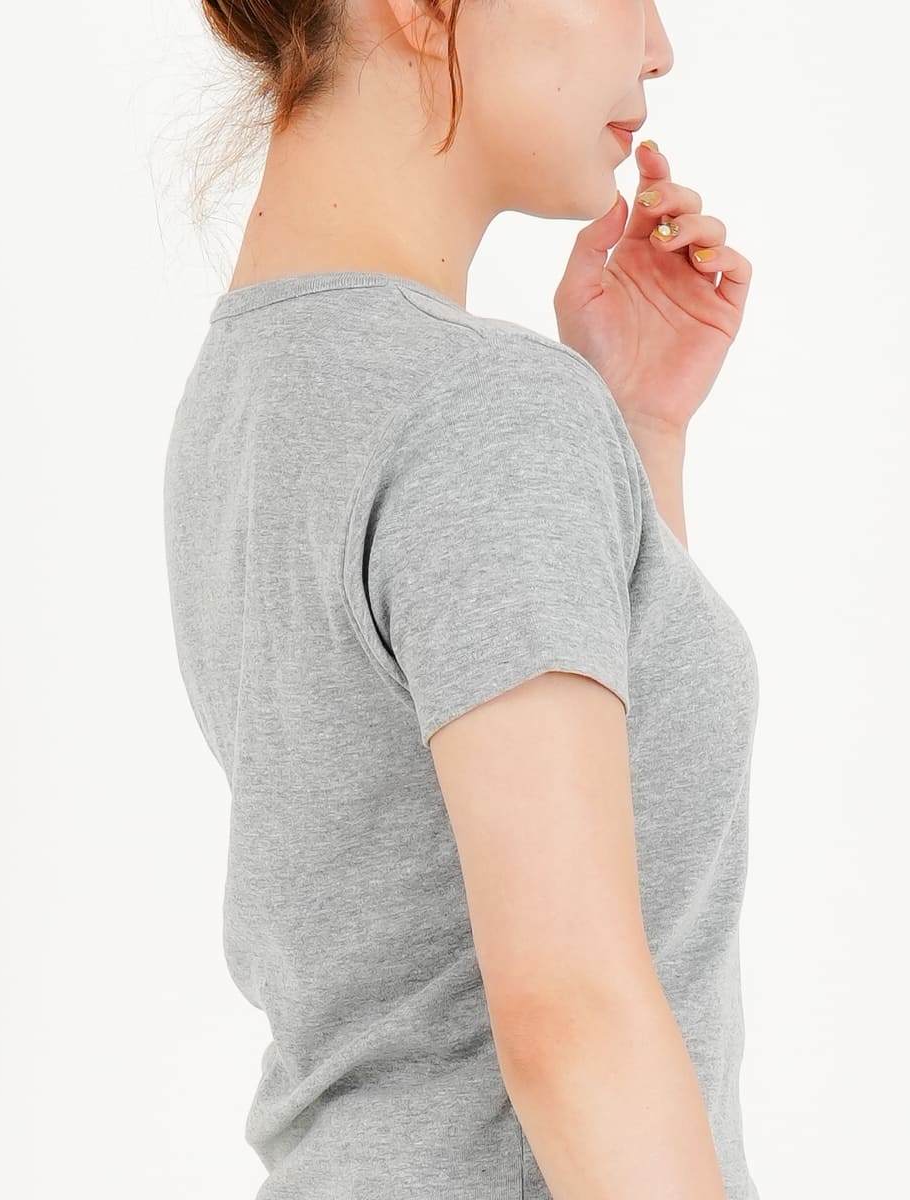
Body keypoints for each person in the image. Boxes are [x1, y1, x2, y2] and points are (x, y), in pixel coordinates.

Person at [162, 1, 758, 1197]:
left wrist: (635, 432)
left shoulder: (251, 387)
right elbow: (573, 1023)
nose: (658, 46)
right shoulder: (479, 408)